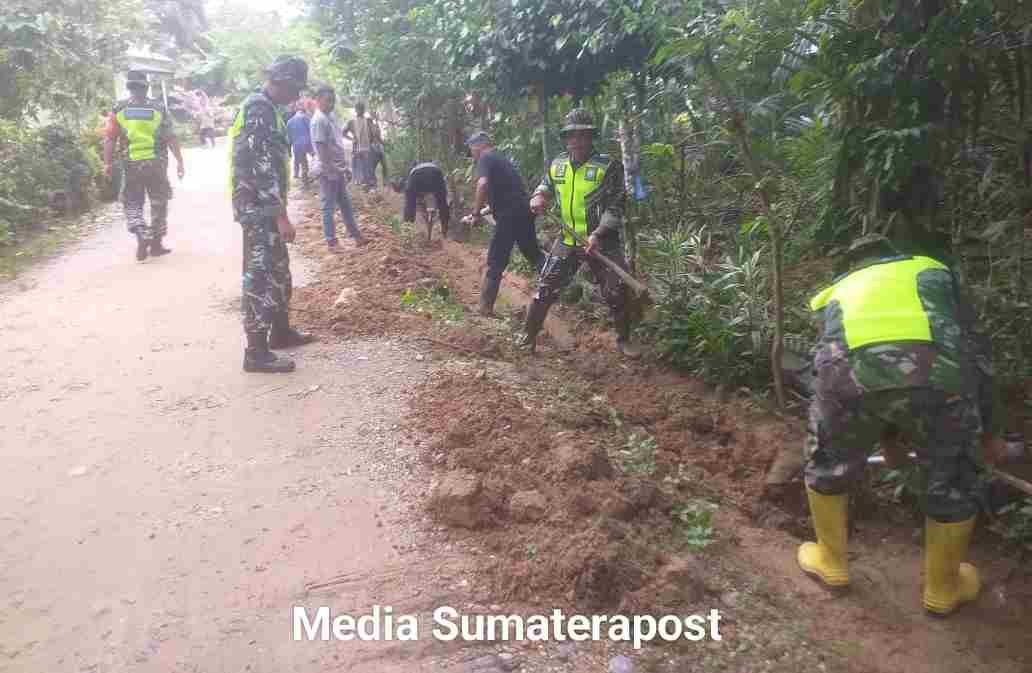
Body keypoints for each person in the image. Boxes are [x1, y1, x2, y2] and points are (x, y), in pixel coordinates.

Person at [799, 234, 991, 616]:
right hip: (940, 377)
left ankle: (831, 562)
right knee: (954, 476)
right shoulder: (933, 271)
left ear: (851, 267)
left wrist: (884, 433)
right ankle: (943, 589)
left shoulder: (836, 292)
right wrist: (993, 429)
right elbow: (975, 348)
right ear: (895, 255)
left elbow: (866, 360)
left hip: (846, 379)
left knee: (829, 461)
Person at [522, 109, 640, 357]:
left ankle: (624, 340)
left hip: (602, 241)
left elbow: (616, 206)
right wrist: (538, 196)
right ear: (566, 138)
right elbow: (545, 185)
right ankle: (527, 337)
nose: (577, 141)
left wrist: (598, 234)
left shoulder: (608, 166)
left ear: (591, 137)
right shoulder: (558, 164)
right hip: (567, 240)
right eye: (572, 135)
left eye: (583, 135)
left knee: (617, 291)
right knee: (545, 289)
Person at [229, 55, 316, 374]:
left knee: (279, 270)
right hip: (258, 209)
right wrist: (281, 217)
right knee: (260, 275)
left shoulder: (269, 109)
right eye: (295, 88)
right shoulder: (259, 110)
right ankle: (255, 351)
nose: (297, 96)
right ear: (282, 82)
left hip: (265, 207)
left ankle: (280, 331)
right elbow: (261, 168)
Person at [103, 70, 185, 261]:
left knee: (132, 201)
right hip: (157, 163)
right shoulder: (158, 107)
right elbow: (170, 137)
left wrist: (107, 163)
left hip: (131, 164)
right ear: (146, 87)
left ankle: (141, 231)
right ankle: (156, 244)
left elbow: (110, 138)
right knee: (159, 202)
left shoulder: (119, 108)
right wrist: (180, 161)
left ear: (129, 87)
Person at [462, 132, 544, 316]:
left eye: (471, 148)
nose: (472, 153)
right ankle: (558, 284)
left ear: (478, 146)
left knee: (496, 259)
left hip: (509, 215)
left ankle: (485, 307)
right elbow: (506, 196)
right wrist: (478, 213)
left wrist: (476, 213)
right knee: (533, 253)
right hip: (524, 211)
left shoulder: (485, 158)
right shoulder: (502, 160)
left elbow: (482, 185)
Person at [311, 85, 364, 252]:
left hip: (337, 168)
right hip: (328, 170)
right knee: (328, 206)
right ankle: (332, 242)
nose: (331, 104)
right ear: (318, 100)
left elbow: (336, 143)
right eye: (328, 100)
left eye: (333, 101)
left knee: (345, 203)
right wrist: (332, 168)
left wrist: (343, 167)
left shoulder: (329, 116)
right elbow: (321, 149)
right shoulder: (319, 120)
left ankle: (356, 235)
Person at [390, 161, 451, 242]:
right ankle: (445, 230)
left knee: (410, 205)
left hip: (417, 176)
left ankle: (407, 231)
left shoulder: (413, 171)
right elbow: (444, 189)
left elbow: (408, 190)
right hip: (436, 174)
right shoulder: (435, 167)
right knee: (442, 203)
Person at [344, 101, 376, 191]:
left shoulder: (368, 120)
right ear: (356, 110)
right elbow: (343, 132)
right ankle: (364, 184)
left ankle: (369, 185)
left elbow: (373, 133)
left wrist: (373, 139)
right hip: (357, 148)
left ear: (364, 110)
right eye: (359, 109)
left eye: (362, 109)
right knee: (360, 167)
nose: (360, 111)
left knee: (368, 167)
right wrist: (352, 139)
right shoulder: (351, 122)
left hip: (367, 147)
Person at [286, 107, 313, 184]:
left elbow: (289, 137)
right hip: (307, 143)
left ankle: (297, 174)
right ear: (303, 112)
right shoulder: (305, 117)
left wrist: (289, 150)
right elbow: (311, 129)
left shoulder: (289, 122)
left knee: (300, 160)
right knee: (315, 158)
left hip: (296, 145)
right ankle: (306, 178)